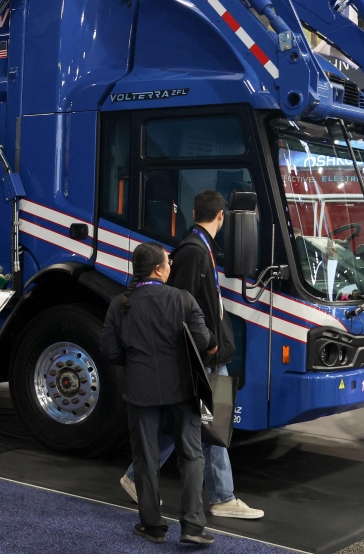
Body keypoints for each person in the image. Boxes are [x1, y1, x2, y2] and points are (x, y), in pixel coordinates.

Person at [120, 191, 264, 520]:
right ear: (221, 217)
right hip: (202, 356)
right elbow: (181, 306)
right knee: (213, 423)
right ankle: (222, 496)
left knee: (200, 423)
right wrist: (208, 343)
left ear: (195, 211)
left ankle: (136, 478)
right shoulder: (194, 252)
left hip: (206, 354)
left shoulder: (199, 249)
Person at [102, 242, 217, 546]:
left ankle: (152, 526)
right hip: (183, 391)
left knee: (146, 460)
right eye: (168, 262)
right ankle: (192, 526)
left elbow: (111, 351)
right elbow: (204, 340)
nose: (170, 266)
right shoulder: (183, 299)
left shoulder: (119, 304)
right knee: (192, 456)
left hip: (141, 393)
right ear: (157, 269)